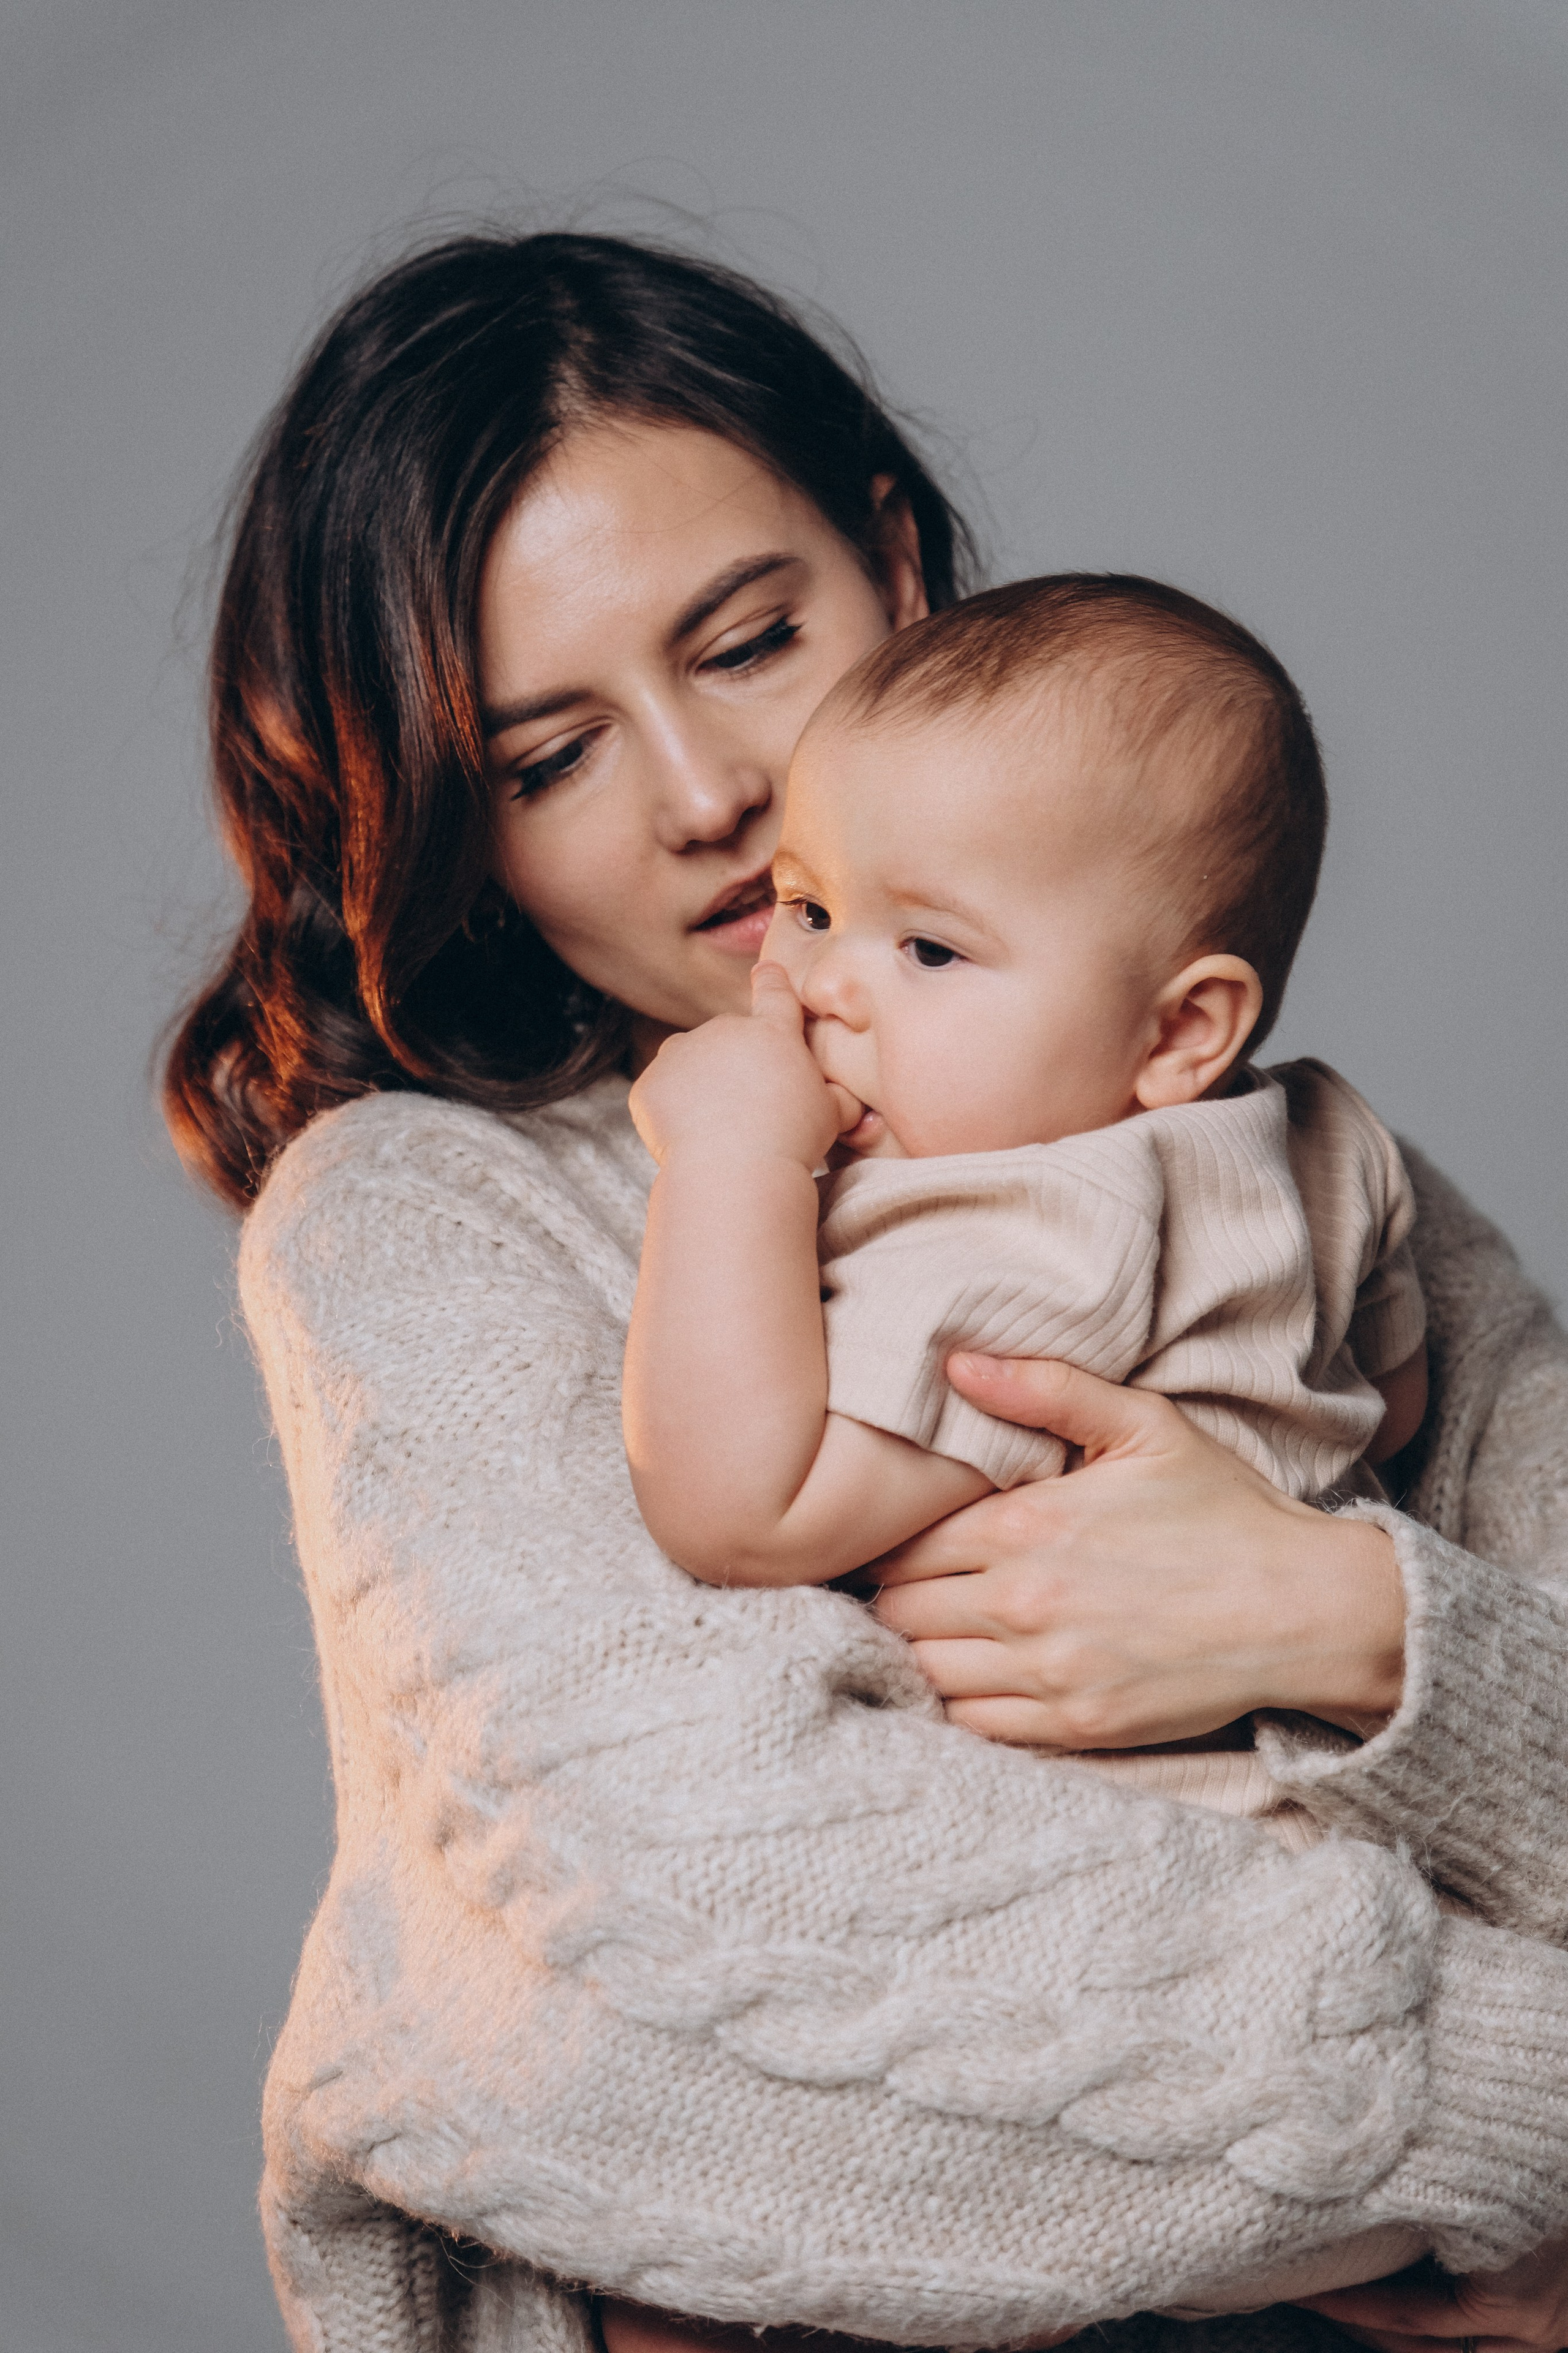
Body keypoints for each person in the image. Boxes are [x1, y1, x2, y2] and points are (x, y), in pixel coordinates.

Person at [162, 230, 1568, 2353]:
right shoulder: (432, 1227)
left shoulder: (1283, 1161)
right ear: (465, 821)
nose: (708, 793)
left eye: (746, 639)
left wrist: (1350, 1623)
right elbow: (730, 1930)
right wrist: (1523, 2132)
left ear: (896, 567)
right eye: (551, 759)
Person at [624, 572, 1430, 1859]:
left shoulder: (1021, 1223)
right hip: (1327, 1827)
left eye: (928, 951)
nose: (824, 983)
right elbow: (1392, 1402)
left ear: (1177, 1031)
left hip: (1146, 1863)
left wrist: (728, 1161)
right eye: (810, 906)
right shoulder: (1329, 1136)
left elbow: (739, 1514)